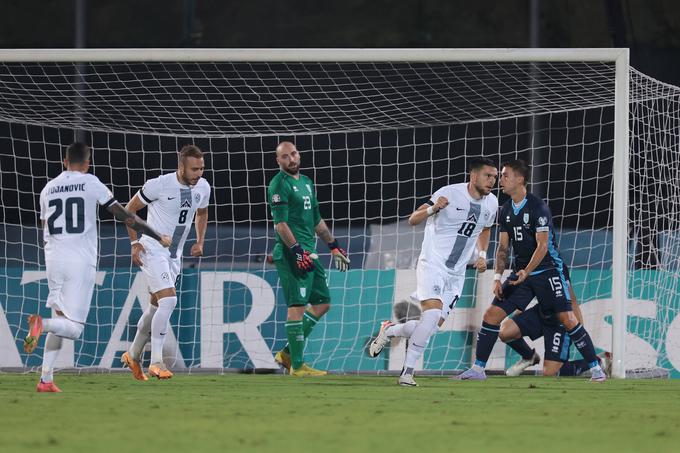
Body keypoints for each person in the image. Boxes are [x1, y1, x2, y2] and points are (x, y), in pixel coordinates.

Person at [24, 143, 171, 392]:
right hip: (79, 262)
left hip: (53, 260)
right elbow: (126, 216)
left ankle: (46, 379)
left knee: (61, 318)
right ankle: (41, 325)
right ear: (87, 163)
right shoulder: (91, 182)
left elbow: (44, 226)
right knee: (74, 328)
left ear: (64, 161)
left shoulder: (48, 189)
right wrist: (157, 235)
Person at [457, 159, 607, 382]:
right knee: (491, 315)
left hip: (548, 272)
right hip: (522, 275)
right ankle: (478, 369)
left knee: (568, 319)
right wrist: (497, 277)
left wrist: (527, 271)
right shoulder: (505, 210)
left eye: (506, 175)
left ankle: (596, 368)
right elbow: (503, 248)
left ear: (520, 179)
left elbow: (543, 245)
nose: (501, 180)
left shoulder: (538, 207)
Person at [368, 158, 499, 386]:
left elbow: (485, 228)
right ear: (474, 176)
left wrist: (481, 255)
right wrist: (434, 208)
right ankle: (407, 374)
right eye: (488, 176)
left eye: (495, 177)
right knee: (429, 318)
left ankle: (389, 331)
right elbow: (413, 219)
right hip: (432, 264)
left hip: (456, 274)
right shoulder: (449, 193)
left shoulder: (492, 203)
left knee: (428, 329)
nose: (493, 181)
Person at [121, 145, 210, 380]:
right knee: (169, 301)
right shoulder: (158, 184)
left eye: (201, 168)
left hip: (174, 255)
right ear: (181, 167)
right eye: (194, 169)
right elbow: (128, 211)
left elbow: (202, 213)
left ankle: (132, 353)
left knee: (155, 306)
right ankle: (157, 361)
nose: (199, 173)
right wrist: (134, 243)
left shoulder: (203, 187)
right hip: (152, 249)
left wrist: (200, 241)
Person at [267, 141, 350, 377]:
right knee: (297, 307)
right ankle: (298, 366)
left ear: (299, 154)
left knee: (323, 303)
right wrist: (296, 250)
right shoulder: (278, 185)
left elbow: (317, 221)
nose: (291, 159)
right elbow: (280, 224)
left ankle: (287, 353)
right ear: (278, 161)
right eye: (285, 156)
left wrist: (334, 246)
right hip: (293, 254)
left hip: (309, 253)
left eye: (293, 154)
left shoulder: (306, 182)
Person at [500, 266, 612, 377]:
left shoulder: (558, 265)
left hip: (560, 319)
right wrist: (518, 312)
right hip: (541, 312)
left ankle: (600, 361)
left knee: (550, 373)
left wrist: (578, 330)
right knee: (505, 332)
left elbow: (571, 298)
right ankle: (529, 356)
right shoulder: (529, 263)